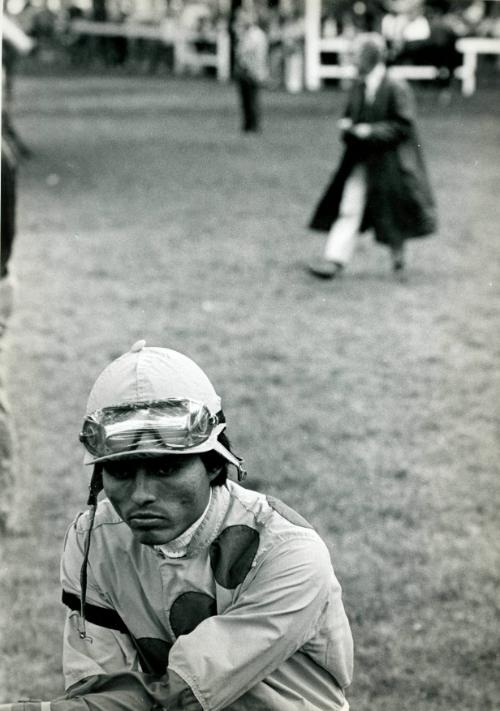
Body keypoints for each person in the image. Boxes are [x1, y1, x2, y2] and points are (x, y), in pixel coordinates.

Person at [0, 340, 353, 710]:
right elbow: (97, 690)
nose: (141, 495)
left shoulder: (287, 552)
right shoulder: (93, 540)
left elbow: (182, 694)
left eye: (165, 468)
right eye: (120, 470)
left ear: (215, 464)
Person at [307, 32, 437, 279]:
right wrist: (348, 127)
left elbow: (404, 125)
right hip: (361, 159)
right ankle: (334, 259)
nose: (352, 59)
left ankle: (398, 257)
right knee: (349, 206)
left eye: (356, 54)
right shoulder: (358, 86)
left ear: (371, 57)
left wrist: (372, 131)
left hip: (391, 163)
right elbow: (350, 116)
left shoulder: (396, 87)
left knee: (394, 211)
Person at [233, 9, 268, 133]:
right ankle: (248, 124)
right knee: (246, 100)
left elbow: (246, 52)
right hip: (246, 71)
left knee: (252, 99)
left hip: (253, 71)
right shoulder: (247, 34)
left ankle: (254, 125)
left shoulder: (256, 35)